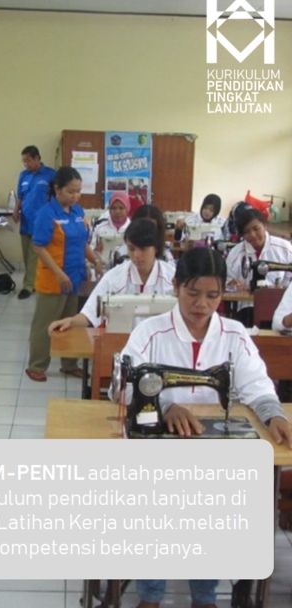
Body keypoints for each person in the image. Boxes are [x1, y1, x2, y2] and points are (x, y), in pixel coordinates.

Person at [119, 247, 292, 608]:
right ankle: (150, 595)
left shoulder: (234, 335)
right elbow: (123, 386)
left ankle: (205, 595)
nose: (202, 305)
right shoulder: (150, 333)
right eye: (193, 293)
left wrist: (274, 414)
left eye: (212, 296)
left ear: (222, 294)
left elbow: (256, 384)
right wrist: (165, 404)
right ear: (176, 286)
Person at [25, 167, 99, 382]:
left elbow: (82, 242)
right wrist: (58, 273)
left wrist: (96, 261)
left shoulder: (78, 212)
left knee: (70, 322)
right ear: (57, 190)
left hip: (74, 277)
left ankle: (69, 364)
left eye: (78, 191)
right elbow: (38, 247)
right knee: (45, 324)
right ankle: (36, 365)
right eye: (71, 191)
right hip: (53, 279)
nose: (75, 196)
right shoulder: (47, 214)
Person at [50, 219, 175, 330]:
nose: (136, 255)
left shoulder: (173, 278)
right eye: (131, 249)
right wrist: (71, 321)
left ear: (156, 248)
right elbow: (90, 313)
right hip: (121, 342)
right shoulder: (114, 277)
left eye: (143, 249)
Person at [226, 208, 292, 325]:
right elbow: (227, 280)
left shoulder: (285, 249)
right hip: (246, 307)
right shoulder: (235, 253)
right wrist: (232, 284)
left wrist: (282, 287)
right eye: (246, 232)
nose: (252, 235)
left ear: (265, 225)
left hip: (278, 305)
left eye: (256, 229)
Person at [14, 145, 56, 299]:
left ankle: (29, 286)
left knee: (35, 254)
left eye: (28, 161)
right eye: (24, 161)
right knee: (27, 254)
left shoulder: (50, 174)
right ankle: (33, 282)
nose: (26, 164)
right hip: (26, 221)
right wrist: (16, 210)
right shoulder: (23, 175)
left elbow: (56, 197)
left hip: (42, 221)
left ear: (37, 158)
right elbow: (20, 196)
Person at [90, 190, 131, 257]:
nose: (117, 211)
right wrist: (96, 251)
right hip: (103, 262)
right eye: (113, 208)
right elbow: (91, 250)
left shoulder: (133, 228)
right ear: (109, 210)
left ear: (127, 208)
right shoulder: (99, 227)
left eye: (121, 208)